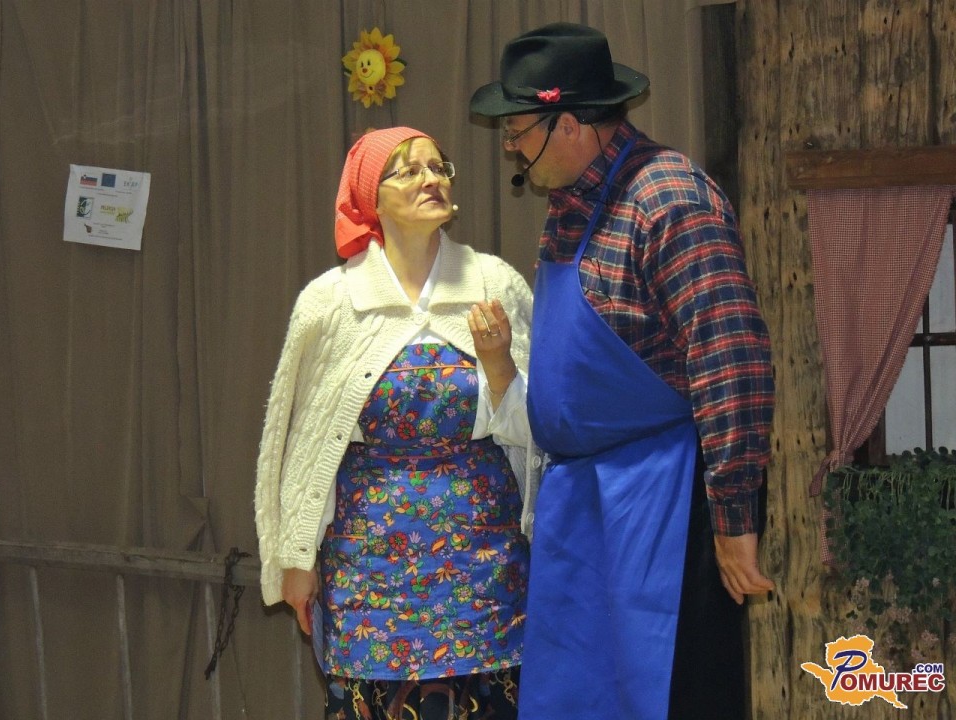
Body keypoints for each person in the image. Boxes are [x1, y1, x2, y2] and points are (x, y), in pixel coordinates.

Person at [470, 23, 776, 720]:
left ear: (568, 124)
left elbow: (731, 358)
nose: (510, 145)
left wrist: (734, 515)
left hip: (663, 505)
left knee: (673, 695)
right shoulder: (570, 207)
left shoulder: (669, 200)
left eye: (517, 130)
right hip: (584, 507)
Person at [254, 126, 537, 720]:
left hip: (485, 564)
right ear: (370, 198)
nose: (431, 180)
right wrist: (296, 558)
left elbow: (538, 433)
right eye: (408, 171)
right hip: (368, 567)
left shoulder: (495, 285)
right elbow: (305, 446)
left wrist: (498, 365)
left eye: (438, 167)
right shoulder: (331, 303)